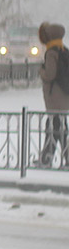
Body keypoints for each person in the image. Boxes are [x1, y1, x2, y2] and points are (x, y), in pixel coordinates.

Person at [37, 21, 69, 167]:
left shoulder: (51, 53)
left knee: (54, 129)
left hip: (54, 99)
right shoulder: (64, 50)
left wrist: (41, 71)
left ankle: (46, 160)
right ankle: (47, 159)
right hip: (64, 97)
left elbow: (50, 74)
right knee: (58, 128)